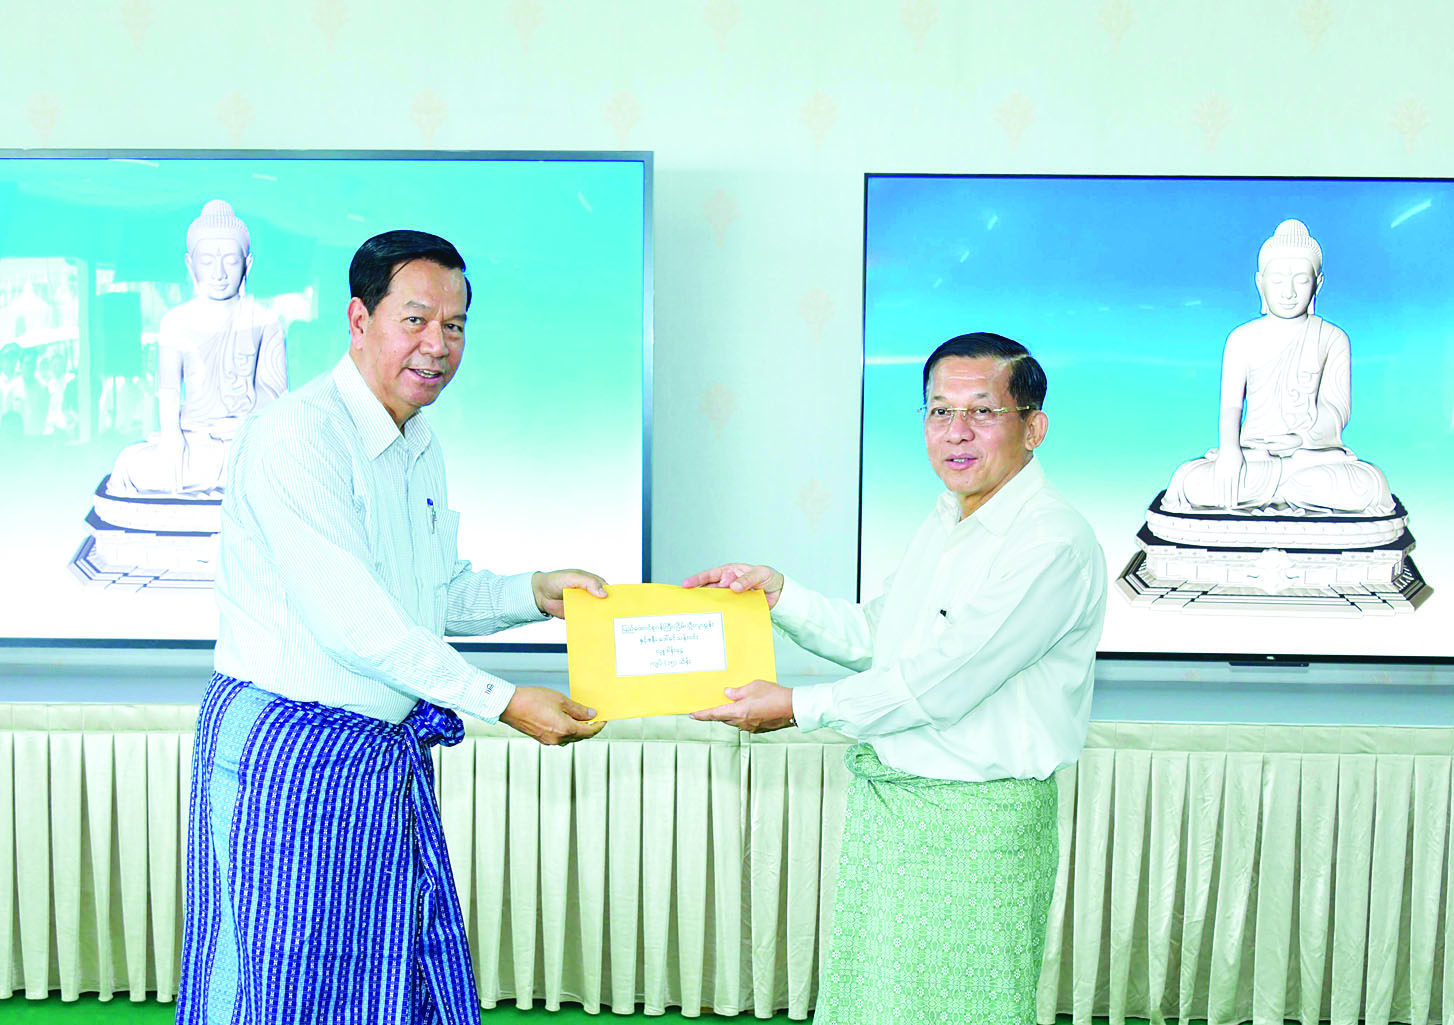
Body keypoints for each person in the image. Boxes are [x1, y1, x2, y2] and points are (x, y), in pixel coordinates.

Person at [176, 230, 608, 1025]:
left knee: (384, 979)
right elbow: (357, 624)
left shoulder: (420, 443)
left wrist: (536, 592)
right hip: (288, 763)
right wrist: (504, 701)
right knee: (279, 983)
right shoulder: (296, 434)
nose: (437, 345)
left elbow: (428, 596)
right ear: (358, 318)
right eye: (415, 319)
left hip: (376, 762)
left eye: (455, 325)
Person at [687, 333, 1106, 1025]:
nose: (956, 431)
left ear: (1033, 427)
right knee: (875, 1001)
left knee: (965, 1009)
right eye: (939, 411)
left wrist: (797, 707)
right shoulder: (946, 519)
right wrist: (779, 597)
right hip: (897, 815)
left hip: (977, 825)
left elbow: (941, 682)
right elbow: (879, 639)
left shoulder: (1050, 541)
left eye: (983, 411)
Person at [1163, 218, 1393, 515]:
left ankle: (1278, 493)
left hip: (1310, 458)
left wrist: (1301, 439)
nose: (1289, 292)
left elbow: (1336, 409)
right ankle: (1284, 493)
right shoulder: (1241, 338)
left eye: (1301, 280)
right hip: (1254, 457)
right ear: (1260, 283)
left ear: (1318, 283)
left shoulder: (1332, 338)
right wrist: (1230, 452)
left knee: (1369, 485)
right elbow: (1231, 406)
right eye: (1278, 280)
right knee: (1187, 482)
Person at [110, 200, 287, 495]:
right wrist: (172, 440)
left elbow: (277, 397)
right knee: (129, 464)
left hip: (244, 441)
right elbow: (169, 391)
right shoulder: (175, 322)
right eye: (207, 261)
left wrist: (242, 419)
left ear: (247, 264)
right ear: (190, 264)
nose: (219, 273)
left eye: (230, 260)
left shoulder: (265, 321)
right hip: (193, 441)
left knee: (279, 463)